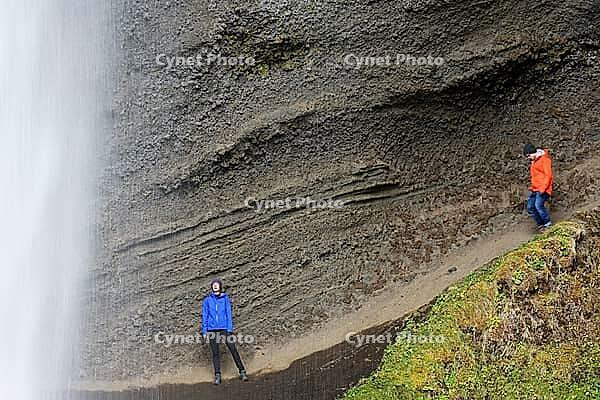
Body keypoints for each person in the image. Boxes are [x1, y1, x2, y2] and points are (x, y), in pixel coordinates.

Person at [202, 278, 248, 385]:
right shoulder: (207, 300)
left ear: (220, 286)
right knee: (215, 352)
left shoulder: (225, 299)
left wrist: (229, 329)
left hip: (224, 328)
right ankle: (217, 375)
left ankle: (242, 371)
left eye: (217, 284)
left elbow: (228, 314)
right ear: (212, 287)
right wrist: (204, 330)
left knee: (233, 348)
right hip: (212, 329)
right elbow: (205, 315)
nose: (215, 286)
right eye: (213, 285)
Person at [523, 143, 553, 231]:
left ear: (533, 152)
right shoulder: (533, 162)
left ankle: (547, 223)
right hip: (535, 189)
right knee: (530, 207)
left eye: (528, 155)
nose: (528, 158)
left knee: (538, 205)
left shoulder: (545, 160)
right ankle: (540, 224)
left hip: (543, 188)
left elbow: (548, 175)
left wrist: (543, 189)